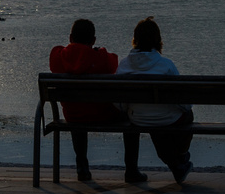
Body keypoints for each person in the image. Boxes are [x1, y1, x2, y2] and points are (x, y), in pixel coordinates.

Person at [116, 17, 192, 184]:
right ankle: (180, 157)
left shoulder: (124, 66)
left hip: (137, 118)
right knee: (185, 115)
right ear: (157, 40)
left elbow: (120, 103)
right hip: (166, 119)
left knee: (140, 118)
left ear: (135, 39)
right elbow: (184, 103)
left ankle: (134, 169)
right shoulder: (166, 65)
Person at [48, 19, 120, 182]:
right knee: (131, 116)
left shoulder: (58, 56)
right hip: (103, 114)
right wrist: (98, 51)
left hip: (73, 115)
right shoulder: (101, 58)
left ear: (70, 37)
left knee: (78, 110)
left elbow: (57, 62)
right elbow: (114, 63)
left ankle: (82, 165)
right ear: (93, 40)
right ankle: (131, 169)